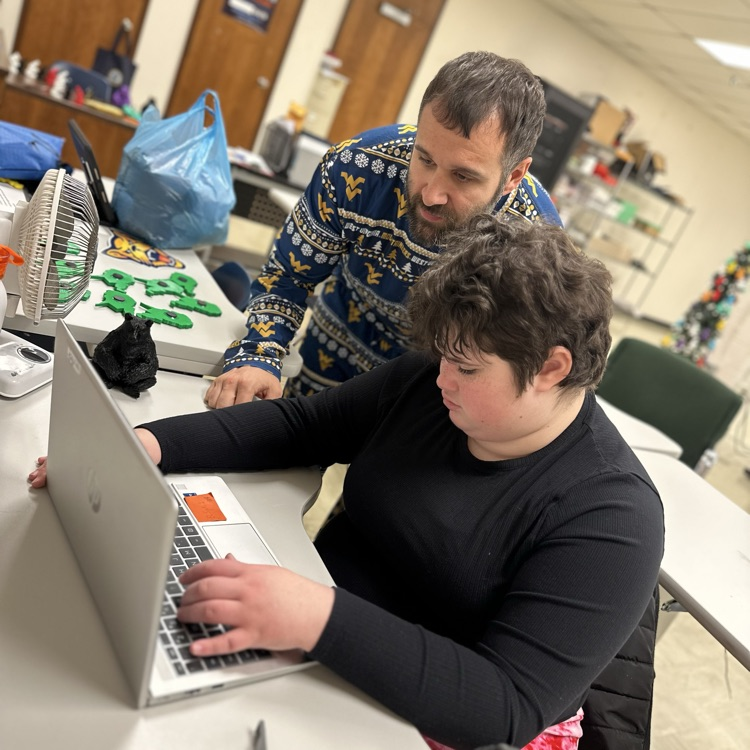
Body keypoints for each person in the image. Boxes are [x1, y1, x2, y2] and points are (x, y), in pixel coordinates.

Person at [31, 217, 663, 749]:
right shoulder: (436, 383)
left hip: (435, 714)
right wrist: (145, 445)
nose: (442, 377)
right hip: (323, 637)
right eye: (443, 355)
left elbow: (505, 702)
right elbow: (303, 425)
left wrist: (314, 617)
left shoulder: (611, 518)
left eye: (467, 367)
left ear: (552, 367)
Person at [205, 50, 562, 408]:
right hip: (334, 347)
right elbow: (287, 277)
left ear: (513, 176)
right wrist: (259, 355)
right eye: (424, 159)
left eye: (464, 176)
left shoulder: (535, 244)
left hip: (436, 389)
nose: (432, 194)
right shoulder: (356, 168)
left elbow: (518, 367)